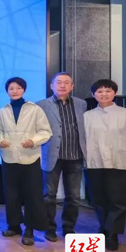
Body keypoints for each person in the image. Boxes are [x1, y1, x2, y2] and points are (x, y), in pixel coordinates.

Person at [84, 79, 126, 251]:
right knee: (99, 199)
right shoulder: (87, 116)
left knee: (118, 200)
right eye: (99, 91)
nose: (104, 94)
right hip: (95, 163)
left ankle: (112, 233)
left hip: (121, 162)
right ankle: (103, 228)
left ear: (115, 93)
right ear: (93, 94)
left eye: (108, 91)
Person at [0, 77, 52, 246]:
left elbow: (45, 131)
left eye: (18, 88)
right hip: (9, 158)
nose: (15, 91)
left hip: (30, 158)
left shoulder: (35, 110)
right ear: (7, 91)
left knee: (31, 196)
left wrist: (34, 141)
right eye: (11, 88)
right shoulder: (2, 111)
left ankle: (29, 230)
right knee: (11, 195)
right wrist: (0, 141)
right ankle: (14, 226)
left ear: (24, 90)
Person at [36, 72, 87, 242]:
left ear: (72, 86)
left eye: (66, 83)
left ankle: (68, 227)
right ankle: (49, 228)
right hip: (52, 155)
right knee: (48, 195)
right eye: (59, 82)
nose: (62, 85)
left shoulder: (81, 104)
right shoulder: (41, 105)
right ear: (52, 86)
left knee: (74, 197)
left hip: (75, 155)